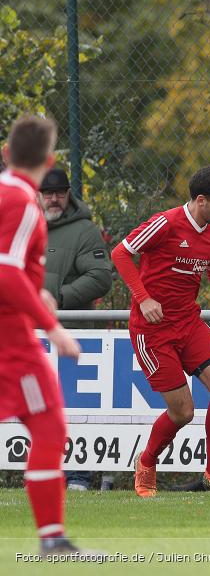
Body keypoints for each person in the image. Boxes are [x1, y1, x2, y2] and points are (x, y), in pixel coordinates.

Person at [111, 166, 210, 497]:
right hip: (152, 330)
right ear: (201, 200)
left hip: (188, 323)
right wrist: (144, 298)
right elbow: (120, 253)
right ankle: (146, 462)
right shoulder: (165, 223)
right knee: (183, 412)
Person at [0, 115, 89, 556]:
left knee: (47, 425)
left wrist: (37, 294)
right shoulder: (20, 200)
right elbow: (6, 272)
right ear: (50, 161)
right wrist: (52, 327)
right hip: (10, 342)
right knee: (48, 425)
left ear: (6, 153)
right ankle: (52, 538)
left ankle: (53, 538)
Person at [39, 167, 113, 491]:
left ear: (69, 194)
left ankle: (78, 476)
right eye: (48, 193)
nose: (54, 198)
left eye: (60, 192)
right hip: (27, 334)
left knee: (73, 407)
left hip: (71, 334)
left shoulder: (84, 230)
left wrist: (57, 297)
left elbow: (100, 277)